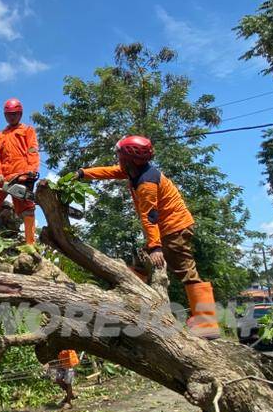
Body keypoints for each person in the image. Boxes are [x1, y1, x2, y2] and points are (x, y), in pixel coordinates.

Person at [76, 135, 220, 339]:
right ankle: (130, 307)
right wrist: (83, 173)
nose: (117, 159)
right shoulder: (134, 170)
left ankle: (206, 323)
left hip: (174, 228)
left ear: (128, 158)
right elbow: (110, 171)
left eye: (119, 155)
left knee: (186, 270)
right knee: (140, 266)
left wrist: (155, 247)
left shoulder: (146, 183)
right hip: (168, 228)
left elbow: (150, 216)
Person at [0, 98, 40, 245]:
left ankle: (30, 245)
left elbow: (32, 151)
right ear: (5, 115)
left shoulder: (27, 131)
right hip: (3, 178)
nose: (12, 116)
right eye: (9, 114)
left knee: (28, 209)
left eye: (15, 114)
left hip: (21, 176)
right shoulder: (0, 135)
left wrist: (31, 171)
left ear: (20, 114)